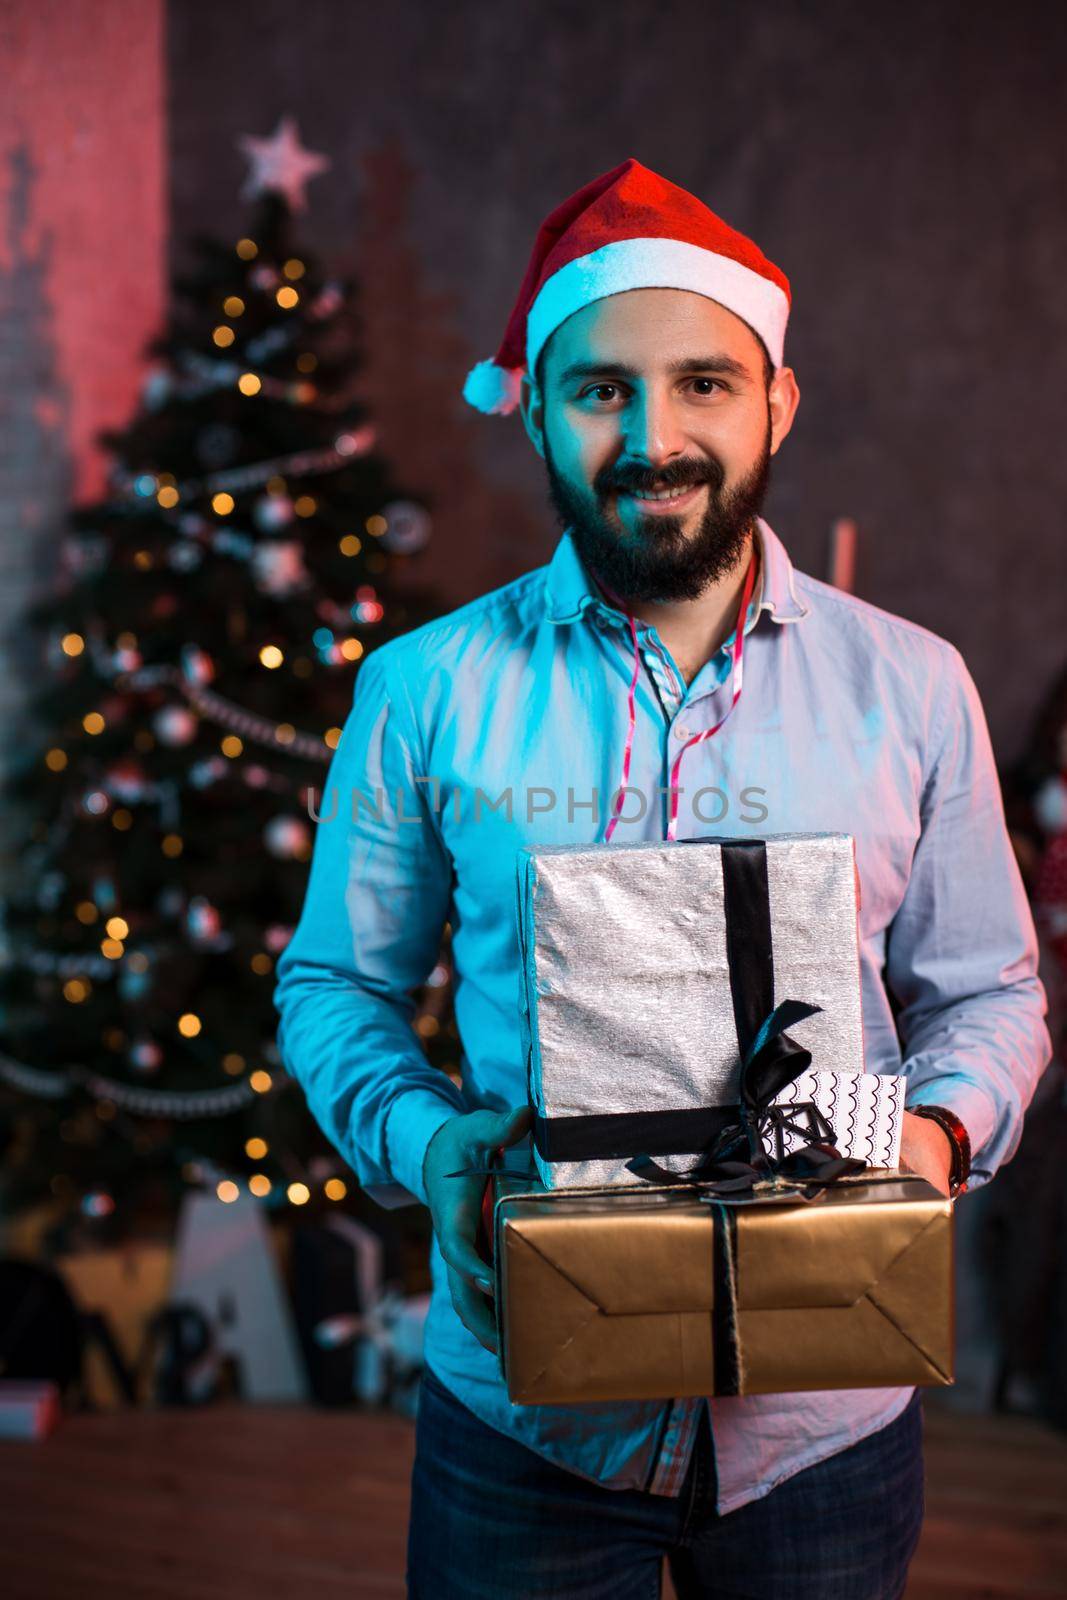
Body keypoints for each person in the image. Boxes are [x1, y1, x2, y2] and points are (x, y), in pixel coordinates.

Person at [272, 158, 1051, 1599]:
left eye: (702, 382)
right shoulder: (424, 691)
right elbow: (334, 986)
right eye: (602, 390)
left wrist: (930, 1146)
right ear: (540, 415)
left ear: (777, 402)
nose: (655, 435)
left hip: (826, 1431)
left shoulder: (912, 686)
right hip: (527, 1426)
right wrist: (436, 1148)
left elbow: (993, 994)